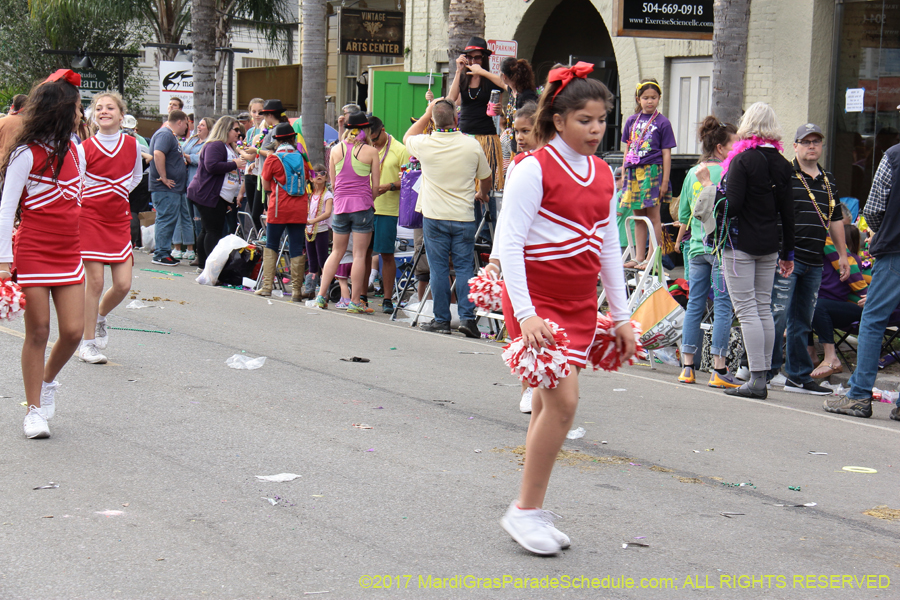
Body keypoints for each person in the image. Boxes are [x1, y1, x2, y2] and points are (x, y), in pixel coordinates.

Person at [496, 62, 634, 555]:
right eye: (584, 120)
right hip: (537, 303)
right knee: (564, 404)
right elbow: (510, 244)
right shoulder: (532, 168)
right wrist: (528, 313)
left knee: (545, 403)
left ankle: (530, 508)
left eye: (601, 120)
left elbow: (609, 246)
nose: (596, 129)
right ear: (559, 120)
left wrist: (619, 317)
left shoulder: (602, 172)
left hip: (578, 304)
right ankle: (525, 510)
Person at [0, 70, 87, 438]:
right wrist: (3, 260)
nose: (82, 114)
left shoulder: (77, 150)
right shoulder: (26, 152)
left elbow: (78, 201)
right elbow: (6, 209)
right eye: (79, 107)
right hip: (34, 248)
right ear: (63, 109)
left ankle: (48, 381)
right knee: (38, 330)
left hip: (69, 251)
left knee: (72, 332)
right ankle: (33, 409)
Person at [698, 102, 794, 399]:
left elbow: (733, 205)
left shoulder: (742, 161)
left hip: (739, 245)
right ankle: (762, 375)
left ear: (747, 124)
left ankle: (756, 379)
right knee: (762, 307)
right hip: (769, 246)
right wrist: (787, 252)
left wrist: (712, 190)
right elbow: (788, 212)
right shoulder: (782, 163)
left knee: (747, 310)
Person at [824, 131, 900, 421]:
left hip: (895, 249)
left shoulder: (893, 156)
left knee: (872, 320)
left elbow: (875, 209)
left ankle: (858, 395)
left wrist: (885, 232)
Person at [769, 124, 849, 395]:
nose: (812, 146)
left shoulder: (829, 179)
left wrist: (843, 255)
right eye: (806, 142)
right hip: (787, 258)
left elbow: (836, 218)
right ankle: (760, 369)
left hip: (815, 260)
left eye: (816, 141)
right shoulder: (786, 173)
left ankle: (798, 376)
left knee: (802, 320)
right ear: (795, 146)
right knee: (777, 315)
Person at [404, 98, 491, 336]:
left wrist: (426, 115)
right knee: (464, 269)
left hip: (434, 216)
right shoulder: (471, 145)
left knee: (439, 269)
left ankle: (441, 320)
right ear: (456, 118)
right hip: (463, 215)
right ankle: (467, 319)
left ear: (433, 120)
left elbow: (407, 136)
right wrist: (482, 193)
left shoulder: (425, 143)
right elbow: (486, 177)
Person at [77, 92, 143, 365]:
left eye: (110, 108)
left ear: (120, 114)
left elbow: (137, 176)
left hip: (118, 219)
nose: (104, 112)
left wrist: (117, 190)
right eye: (99, 108)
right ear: (93, 115)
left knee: (123, 284)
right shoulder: (84, 147)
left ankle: (100, 316)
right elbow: (76, 182)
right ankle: (87, 343)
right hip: (90, 218)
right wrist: (99, 194)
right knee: (94, 283)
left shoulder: (132, 145)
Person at [675, 117, 741, 388]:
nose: (739, 149)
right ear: (720, 148)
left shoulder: (692, 173)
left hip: (696, 248)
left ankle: (687, 367)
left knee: (695, 304)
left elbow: (683, 215)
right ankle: (718, 369)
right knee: (723, 306)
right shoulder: (729, 171)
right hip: (721, 246)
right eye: (735, 144)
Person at [486, 100, 540, 413]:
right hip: (516, 259)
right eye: (516, 131)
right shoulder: (517, 164)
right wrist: (496, 258)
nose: (519, 137)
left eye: (526, 131)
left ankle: (548, 387)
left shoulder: (554, 165)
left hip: (544, 261)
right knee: (518, 326)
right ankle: (527, 387)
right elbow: (506, 215)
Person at [315, 112, 381, 313]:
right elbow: (376, 187)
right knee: (360, 255)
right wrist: (370, 200)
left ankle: (321, 296)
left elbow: (333, 184)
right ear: (366, 130)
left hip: (340, 207)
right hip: (362, 207)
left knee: (336, 252)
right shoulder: (371, 151)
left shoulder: (335, 150)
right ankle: (355, 301)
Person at [620, 79, 676, 270]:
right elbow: (627, 148)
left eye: (653, 97)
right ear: (638, 99)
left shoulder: (663, 122)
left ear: (659, 98)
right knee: (638, 216)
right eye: (645, 98)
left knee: (653, 216)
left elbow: (666, 153)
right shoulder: (631, 121)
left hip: (653, 171)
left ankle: (651, 256)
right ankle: (638, 257)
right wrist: (624, 173)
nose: (649, 101)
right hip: (633, 172)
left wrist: (665, 181)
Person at [258, 122, 311, 301]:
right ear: (293, 138)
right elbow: (307, 179)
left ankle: (267, 287)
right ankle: (296, 290)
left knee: (272, 244)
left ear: (277, 141)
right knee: (297, 247)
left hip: (279, 207)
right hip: (299, 208)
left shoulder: (273, 158)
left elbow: (265, 183)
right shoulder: (302, 158)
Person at [811, 223, 871, 378]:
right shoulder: (830, 256)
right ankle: (811, 356)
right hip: (843, 305)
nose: (867, 241)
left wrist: (871, 297)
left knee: (817, 306)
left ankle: (830, 358)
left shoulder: (851, 260)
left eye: (870, 236)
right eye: (867, 237)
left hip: (861, 307)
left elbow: (859, 287)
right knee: (805, 305)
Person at [186, 116, 247, 270]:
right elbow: (211, 166)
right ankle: (210, 268)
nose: (238, 133)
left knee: (207, 230)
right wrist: (234, 163)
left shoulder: (226, 146)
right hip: (208, 194)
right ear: (225, 129)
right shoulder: (216, 145)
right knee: (213, 230)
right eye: (235, 129)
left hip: (216, 196)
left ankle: (203, 265)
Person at [447, 37, 506, 192]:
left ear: (484, 58)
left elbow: (504, 87)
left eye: (477, 57)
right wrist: (459, 70)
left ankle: (488, 214)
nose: (473, 60)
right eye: (469, 57)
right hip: (465, 135)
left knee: (487, 183)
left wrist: (499, 110)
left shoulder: (491, 79)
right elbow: (450, 100)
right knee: (465, 183)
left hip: (486, 136)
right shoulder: (463, 77)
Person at [368, 115, 409, 314]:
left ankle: (386, 298)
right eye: (370, 139)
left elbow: (409, 179)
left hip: (388, 210)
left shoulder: (400, 149)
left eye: (375, 138)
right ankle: (359, 295)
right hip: (366, 207)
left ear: (383, 130)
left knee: (386, 254)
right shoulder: (366, 149)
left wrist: (390, 186)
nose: (373, 142)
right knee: (363, 254)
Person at [148, 109, 190, 266]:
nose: (186, 127)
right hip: (165, 188)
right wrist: (164, 177)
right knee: (165, 219)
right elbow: (158, 153)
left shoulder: (168, 135)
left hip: (171, 189)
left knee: (168, 219)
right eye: (186, 123)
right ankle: (160, 253)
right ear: (179, 122)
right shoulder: (165, 134)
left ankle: (163, 251)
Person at [182, 116, 214, 261]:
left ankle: (201, 254)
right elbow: (183, 152)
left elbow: (199, 159)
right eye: (199, 124)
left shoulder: (210, 143)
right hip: (188, 184)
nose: (199, 127)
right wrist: (187, 156)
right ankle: (196, 251)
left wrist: (186, 156)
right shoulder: (193, 140)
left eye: (202, 125)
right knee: (191, 219)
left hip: (200, 186)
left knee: (199, 221)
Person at [304, 164, 333, 298]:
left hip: (321, 230)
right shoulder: (309, 194)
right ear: (311, 178)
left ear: (326, 177)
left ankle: (324, 290)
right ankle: (310, 289)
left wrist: (312, 221)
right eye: (316, 174)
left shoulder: (327, 195)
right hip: (308, 231)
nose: (319, 176)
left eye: (322, 173)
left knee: (323, 260)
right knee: (311, 261)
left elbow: (327, 213)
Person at [499, 57, 539, 153]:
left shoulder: (526, 96)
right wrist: (481, 72)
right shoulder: (514, 92)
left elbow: (526, 125)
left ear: (504, 76)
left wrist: (519, 154)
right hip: (515, 146)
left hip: (524, 149)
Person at [239, 98, 265, 231]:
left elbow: (250, 155)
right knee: (251, 212)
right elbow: (248, 154)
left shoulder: (265, 130)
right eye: (253, 112)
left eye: (260, 112)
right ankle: (256, 236)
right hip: (249, 173)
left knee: (257, 212)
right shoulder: (250, 132)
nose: (256, 115)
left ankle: (262, 236)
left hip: (260, 174)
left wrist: (238, 150)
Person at [0, 94, 27, 164]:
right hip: (19, 164)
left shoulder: (2, 121)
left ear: (13, 105)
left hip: (1, 163)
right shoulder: (29, 124)